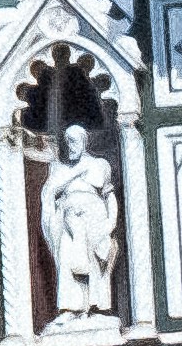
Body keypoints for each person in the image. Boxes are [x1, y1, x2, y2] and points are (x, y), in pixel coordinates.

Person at [42, 117, 125, 330]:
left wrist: (111, 222)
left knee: (94, 263)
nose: (70, 146)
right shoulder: (59, 170)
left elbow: (109, 196)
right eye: (67, 141)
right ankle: (70, 309)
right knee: (68, 261)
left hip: (94, 220)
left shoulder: (99, 165)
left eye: (74, 141)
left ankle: (95, 308)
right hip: (67, 225)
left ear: (84, 142)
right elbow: (50, 193)